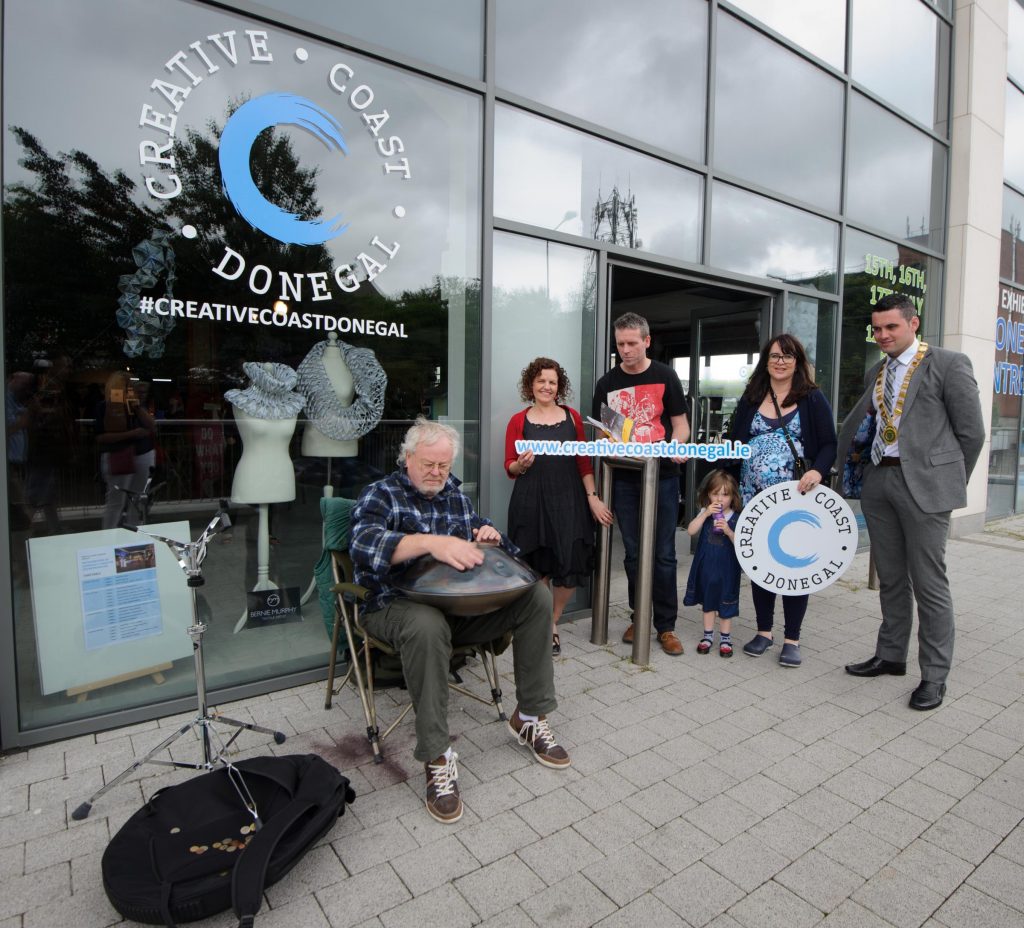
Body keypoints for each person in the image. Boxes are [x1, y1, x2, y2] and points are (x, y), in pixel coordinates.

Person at [350, 417, 570, 824]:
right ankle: (437, 756)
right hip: (394, 605)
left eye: (444, 467)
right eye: (429, 465)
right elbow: (363, 545)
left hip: (457, 608)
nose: (437, 474)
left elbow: (500, 548)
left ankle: (529, 716)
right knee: (427, 625)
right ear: (408, 458)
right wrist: (432, 542)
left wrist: (490, 537)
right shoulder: (381, 494)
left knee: (536, 596)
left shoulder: (455, 495)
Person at [839, 293, 984, 711]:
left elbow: (971, 433)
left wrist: (945, 481)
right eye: (877, 328)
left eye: (891, 327)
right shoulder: (876, 371)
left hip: (925, 487)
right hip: (880, 480)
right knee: (891, 577)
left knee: (930, 584)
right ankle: (890, 656)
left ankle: (935, 678)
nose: (882, 335)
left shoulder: (948, 363)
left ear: (913, 323)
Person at [726, 334, 837, 668]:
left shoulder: (811, 398)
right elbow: (734, 441)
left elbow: (830, 443)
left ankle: (792, 638)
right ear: (766, 360)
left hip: (796, 499)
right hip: (755, 497)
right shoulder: (752, 396)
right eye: (774, 356)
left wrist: (818, 471)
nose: (780, 361)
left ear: (797, 361)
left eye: (787, 356)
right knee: (762, 566)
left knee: (794, 564)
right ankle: (763, 632)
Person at [592, 312, 690, 656]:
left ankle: (666, 626)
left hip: (662, 478)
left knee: (663, 554)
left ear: (647, 341)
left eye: (633, 343)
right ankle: (639, 616)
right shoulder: (607, 384)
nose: (626, 350)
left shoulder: (666, 376)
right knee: (633, 554)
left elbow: (680, 426)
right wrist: (608, 442)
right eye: (620, 344)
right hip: (624, 479)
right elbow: (604, 433)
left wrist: (677, 447)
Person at [505, 358, 613, 655]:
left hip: (569, 499)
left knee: (571, 559)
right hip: (531, 500)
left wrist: (592, 496)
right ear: (531, 385)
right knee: (536, 565)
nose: (546, 387)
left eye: (552, 382)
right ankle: (543, 626)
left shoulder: (572, 417)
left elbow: (582, 461)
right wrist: (520, 464)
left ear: (559, 387)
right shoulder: (518, 420)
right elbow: (509, 467)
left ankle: (553, 619)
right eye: (541, 381)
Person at [683, 469, 741, 657]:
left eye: (725, 495)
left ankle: (726, 638)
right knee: (708, 602)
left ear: (732, 497)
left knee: (726, 601)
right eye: (715, 493)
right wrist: (705, 514)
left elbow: (742, 544)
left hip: (728, 568)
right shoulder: (705, 513)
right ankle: (708, 636)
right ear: (708, 495)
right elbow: (691, 531)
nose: (720, 499)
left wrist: (729, 531)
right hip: (706, 567)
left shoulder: (737, 517)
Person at [94, 372, 157, 529]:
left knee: (137, 499)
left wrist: (136, 406)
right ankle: (108, 535)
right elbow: (100, 437)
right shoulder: (105, 407)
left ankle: (133, 533)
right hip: (119, 456)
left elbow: (151, 426)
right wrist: (132, 434)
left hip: (143, 454)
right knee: (116, 500)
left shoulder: (137, 406)